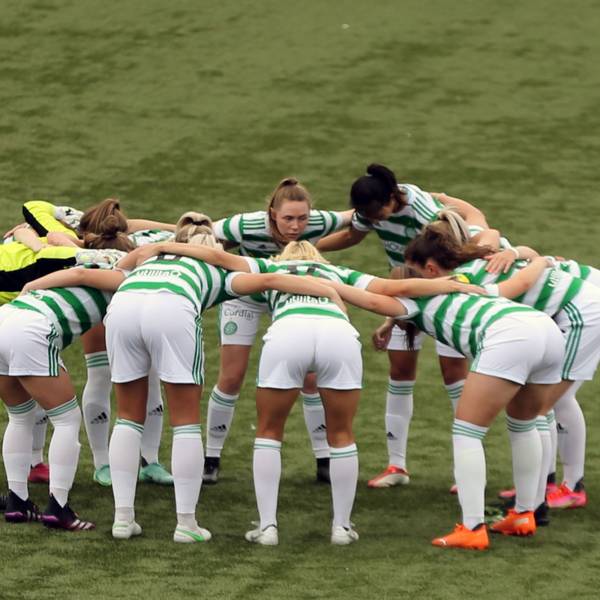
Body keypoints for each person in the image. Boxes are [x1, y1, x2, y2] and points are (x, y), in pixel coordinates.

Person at [132, 239, 483, 544]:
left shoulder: (271, 266)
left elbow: (217, 257)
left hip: (289, 334)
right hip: (337, 336)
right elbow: (392, 289)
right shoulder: (338, 272)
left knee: (269, 432)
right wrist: (449, 285)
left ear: (285, 256)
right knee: (342, 434)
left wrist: (164, 246)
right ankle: (341, 527)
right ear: (318, 258)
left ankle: (268, 526)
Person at [103, 220, 347, 543]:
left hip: (123, 305)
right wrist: (328, 290)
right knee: (185, 422)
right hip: (173, 306)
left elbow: (118, 268)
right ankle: (186, 524)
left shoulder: (149, 258)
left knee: (127, 417)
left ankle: (122, 519)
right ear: (213, 250)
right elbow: (272, 279)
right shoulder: (218, 272)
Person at [318, 254, 565, 550]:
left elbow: (371, 300)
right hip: (545, 329)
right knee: (524, 425)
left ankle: (472, 528)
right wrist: (390, 322)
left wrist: (324, 283)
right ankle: (524, 514)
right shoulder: (459, 283)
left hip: (510, 335)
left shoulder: (413, 303)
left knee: (467, 433)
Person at [317, 164, 493, 488]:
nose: (375, 221)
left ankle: (464, 472)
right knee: (399, 371)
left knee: (454, 374)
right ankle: (396, 466)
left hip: (446, 293)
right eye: (368, 216)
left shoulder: (423, 209)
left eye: (378, 214)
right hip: (405, 294)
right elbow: (352, 235)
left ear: (392, 198)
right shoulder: (372, 210)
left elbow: (459, 244)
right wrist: (313, 249)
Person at [206, 177, 354, 484]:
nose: (296, 226)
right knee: (231, 376)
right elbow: (203, 236)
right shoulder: (244, 225)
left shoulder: (321, 222)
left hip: (289, 297)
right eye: (288, 218)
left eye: (302, 218)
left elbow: (357, 217)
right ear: (272, 213)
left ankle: (324, 459)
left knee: (310, 378)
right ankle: (211, 457)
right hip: (245, 298)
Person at [0, 245, 149, 530]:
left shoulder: (93, 259)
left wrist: (31, 286)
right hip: (30, 327)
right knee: (67, 419)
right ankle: (58, 508)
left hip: (7, 316)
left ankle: (18, 503)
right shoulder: (126, 276)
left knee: (19, 416)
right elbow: (83, 276)